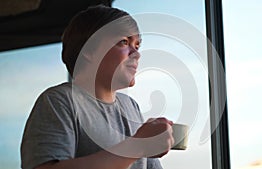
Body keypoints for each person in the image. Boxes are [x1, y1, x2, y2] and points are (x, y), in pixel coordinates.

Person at [21, 4, 174, 169]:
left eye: (137, 46)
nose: (136, 53)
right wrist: (136, 146)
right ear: (88, 50)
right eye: (124, 42)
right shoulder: (58, 102)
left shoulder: (131, 107)